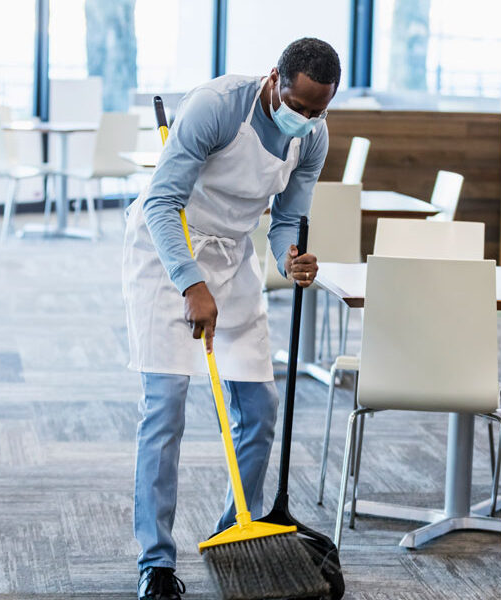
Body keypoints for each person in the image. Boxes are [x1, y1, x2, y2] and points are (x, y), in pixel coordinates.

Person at [121, 37, 341, 600]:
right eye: (301, 106)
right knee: (166, 404)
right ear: (275, 79)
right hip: (165, 247)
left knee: (259, 406)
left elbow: (288, 217)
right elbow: (160, 201)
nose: (308, 119)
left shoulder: (311, 137)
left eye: (320, 110)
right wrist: (190, 284)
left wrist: (292, 257)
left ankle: (232, 537)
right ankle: (156, 563)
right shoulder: (218, 106)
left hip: (233, 255)